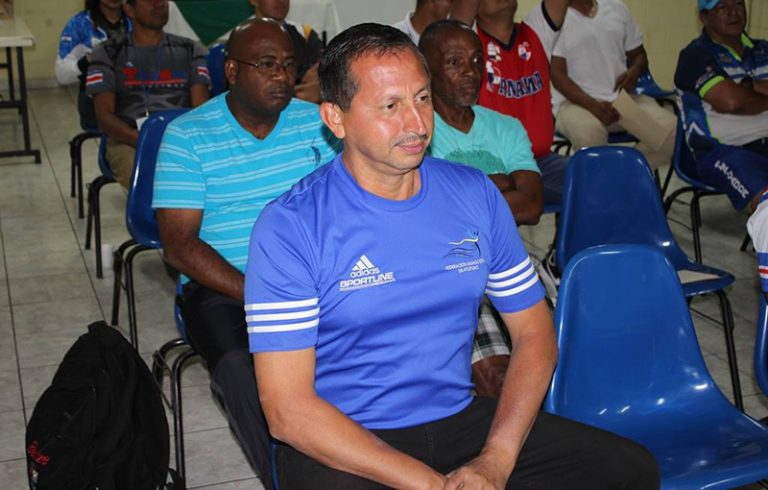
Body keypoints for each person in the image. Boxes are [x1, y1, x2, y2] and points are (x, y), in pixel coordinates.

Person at [245, 23, 659, 489]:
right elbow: (287, 411)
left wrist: (496, 459)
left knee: (630, 469)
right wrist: (433, 485)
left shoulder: (474, 194)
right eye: (390, 106)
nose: (416, 123)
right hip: (347, 439)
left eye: (422, 98)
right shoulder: (291, 225)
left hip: (460, 421)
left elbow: (535, 334)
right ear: (335, 118)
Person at [152, 18, 337, 487]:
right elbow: (179, 247)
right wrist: (260, 294)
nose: (282, 76)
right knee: (238, 367)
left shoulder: (319, 124)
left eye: (289, 65)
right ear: (232, 71)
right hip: (225, 288)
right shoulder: (188, 136)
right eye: (267, 65)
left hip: (316, 277)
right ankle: (283, 478)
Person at [422, 19, 544, 398]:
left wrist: (461, 194)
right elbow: (430, 216)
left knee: (554, 357)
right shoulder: (416, 133)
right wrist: (501, 183)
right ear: (426, 69)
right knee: (497, 377)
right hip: (449, 269)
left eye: (477, 61)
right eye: (455, 62)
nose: (471, 72)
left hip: (511, 258)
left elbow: (532, 206)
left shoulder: (506, 127)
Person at [452, 0, 570, 205]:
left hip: (542, 161)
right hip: (493, 168)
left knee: (597, 173)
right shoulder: (468, 43)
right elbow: (459, 16)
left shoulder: (536, 31)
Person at [86, 0, 210, 189]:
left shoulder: (190, 49)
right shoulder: (107, 52)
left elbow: (200, 111)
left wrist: (174, 142)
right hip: (128, 140)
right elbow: (104, 117)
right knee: (148, 182)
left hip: (181, 139)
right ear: (129, 9)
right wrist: (145, 140)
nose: (159, 4)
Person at [550, 0, 676, 170]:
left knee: (669, 132)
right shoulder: (555, 16)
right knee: (590, 135)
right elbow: (557, 75)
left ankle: (621, 176)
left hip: (620, 102)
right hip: (574, 104)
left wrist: (633, 72)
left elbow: (639, 56)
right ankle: (607, 181)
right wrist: (594, 107)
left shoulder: (617, 8)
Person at [675, 0, 768, 212]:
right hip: (724, 150)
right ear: (704, 18)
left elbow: (737, 101)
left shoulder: (764, 49)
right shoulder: (695, 56)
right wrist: (749, 95)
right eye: (722, 7)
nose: (733, 12)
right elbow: (732, 102)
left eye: (738, 4)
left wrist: (748, 87)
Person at [56, 0, 131, 129]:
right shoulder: (79, 24)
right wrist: (88, 60)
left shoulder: (137, 19)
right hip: (96, 102)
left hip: (135, 97)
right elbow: (61, 74)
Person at [250, 0, 324, 103]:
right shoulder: (239, 40)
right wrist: (296, 93)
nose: (281, 1)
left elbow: (315, 85)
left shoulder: (305, 34)